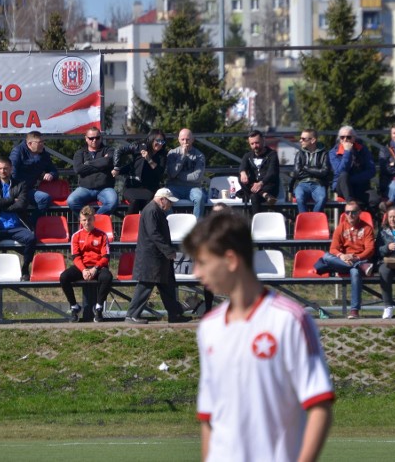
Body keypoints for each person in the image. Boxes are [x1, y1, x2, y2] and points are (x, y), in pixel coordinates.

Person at [182, 211, 334, 462]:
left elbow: (320, 406)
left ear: (230, 260)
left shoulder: (290, 320)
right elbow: (209, 417)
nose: (196, 272)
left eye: (203, 262)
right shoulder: (209, 327)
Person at [125, 188, 187, 324]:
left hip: (157, 257)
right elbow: (154, 234)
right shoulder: (152, 210)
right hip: (151, 257)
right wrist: (168, 251)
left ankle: (175, 314)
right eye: (169, 201)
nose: (170, 205)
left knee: (167, 285)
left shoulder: (155, 210)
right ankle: (132, 315)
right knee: (145, 285)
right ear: (162, 199)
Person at [314, 199, 375, 319]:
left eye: (353, 212)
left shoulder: (367, 228)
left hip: (360, 259)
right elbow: (333, 249)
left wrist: (356, 258)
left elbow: (370, 249)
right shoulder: (341, 227)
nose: (350, 215)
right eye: (347, 212)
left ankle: (354, 311)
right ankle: (359, 266)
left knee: (355, 272)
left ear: (359, 212)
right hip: (343, 261)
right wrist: (342, 256)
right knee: (326, 256)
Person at [59, 206, 113, 323]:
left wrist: (95, 268)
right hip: (82, 266)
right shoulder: (76, 236)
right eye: (84, 220)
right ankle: (74, 307)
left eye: (89, 219)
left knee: (107, 277)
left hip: (98, 267)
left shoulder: (102, 235)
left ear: (94, 219)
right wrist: (84, 270)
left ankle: (98, 308)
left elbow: (106, 257)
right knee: (64, 277)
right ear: (80, 220)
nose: (87, 222)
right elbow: (76, 257)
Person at [0, 157, 36, 280]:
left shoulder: (21, 185)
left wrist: (2, 204)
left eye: (5, 168)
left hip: (16, 227)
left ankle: (25, 269)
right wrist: (12, 200)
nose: (3, 171)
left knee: (31, 238)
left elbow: (21, 205)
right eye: (0, 168)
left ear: (11, 169)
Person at [113, 129, 168, 215]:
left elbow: (159, 172)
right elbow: (119, 150)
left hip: (149, 188)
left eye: (162, 141)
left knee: (149, 203)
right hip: (132, 186)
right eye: (158, 141)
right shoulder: (139, 146)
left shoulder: (162, 155)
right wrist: (116, 167)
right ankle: (129, 225)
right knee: (135, 202)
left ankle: (145, 226)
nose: (160, 144)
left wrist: (149, 159)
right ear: (151, 139)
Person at [66, 127, 118, 216]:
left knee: (113, 202)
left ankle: (94, 220)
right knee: (71, 201)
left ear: (101, 138)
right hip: (85, 188)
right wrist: (102, 165)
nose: (94, 140)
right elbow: (78, 169)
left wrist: (88, 164)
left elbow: (108, 161)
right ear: (86, 138)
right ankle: (87, 220)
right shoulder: (80, 153)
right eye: (91, 138)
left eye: (97, 138)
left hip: (105, 188)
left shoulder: (109, 150)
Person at [9, 130, 58, 224]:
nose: (42, 145)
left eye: (43, 142)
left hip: (29, 190)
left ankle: (30, 224)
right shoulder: (17, 152)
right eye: (40, 142)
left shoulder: (44, 155)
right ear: (30, 143)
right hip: (16, 189)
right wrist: (17, 191)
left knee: (45, 198)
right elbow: (12, 172)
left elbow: (55, 171)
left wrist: (51, 174)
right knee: (19, 204)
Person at [329, 125, 378, 210]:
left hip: (360, 186)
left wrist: (353, 179)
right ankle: (351, 204)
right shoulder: (333, 153)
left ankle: (368, 220)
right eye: (342, 137)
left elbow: (371, 170)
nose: (345, 140)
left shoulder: (363, 150)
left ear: (354, 138)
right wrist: (347, 152)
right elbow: (340, 171)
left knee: (375, 200)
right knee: (344, 175)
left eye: (348, 137)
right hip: (343, 187)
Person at [165, 128, 207, 219]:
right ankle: (170, 226)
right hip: (174, 187)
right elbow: (171, 174)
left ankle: (196, 228)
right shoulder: (172, 153)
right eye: (182, 139)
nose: (185, 142)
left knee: (199, 198)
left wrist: (177, 175)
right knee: (164, 197)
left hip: (193, 187)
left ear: (192, 139)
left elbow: (196, 177)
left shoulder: (199, 155)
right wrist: (182, 156)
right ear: (179, 140)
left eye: (188, 139)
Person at [238, 129, 280, 214]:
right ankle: (263, 194)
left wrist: (261, 183)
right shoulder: (248, 156)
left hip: (268, 186)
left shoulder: (272, 154)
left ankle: (256, 223)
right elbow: (242, 167)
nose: (255, 146)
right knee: (241, 178)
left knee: (254, 196)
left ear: (263, 140)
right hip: (254, 187)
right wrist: (243, 173)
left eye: (257, 143)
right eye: (252, 144)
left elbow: (272, 173)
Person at [291, 128, 330, 213]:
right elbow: (297, 173)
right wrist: (316, 171)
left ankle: (313, 220)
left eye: (303, 139)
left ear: (313, 140)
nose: (300, 141)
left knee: (322, 198)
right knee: (299, 197)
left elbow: (324, 172)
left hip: (318, 184)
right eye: (300, 138)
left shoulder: (324, 153)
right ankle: (305, 220)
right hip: (302, 184)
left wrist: (306, 168)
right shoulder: (299, 154)